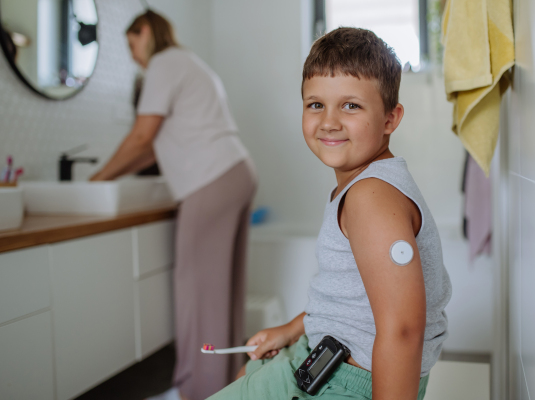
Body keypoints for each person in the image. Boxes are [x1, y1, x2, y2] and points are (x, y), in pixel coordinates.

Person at [207, 28, 452, 400]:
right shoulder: (362, 186)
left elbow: (402, 328)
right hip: (329, 360)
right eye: (315, 104)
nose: (329, 121)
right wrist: (291, 330)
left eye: (351, 105)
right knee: (247, 371)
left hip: (349, 382)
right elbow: (349, 300)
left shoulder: (370, 197)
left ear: (390, 118)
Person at [90, 10, 256, 400]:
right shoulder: (188, 63)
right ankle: (226, 383)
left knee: (199, 293)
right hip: (236, 171)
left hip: (212, 180)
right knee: (222, 291)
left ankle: (199, 391)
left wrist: (96, 181)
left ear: (145, 31)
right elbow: (151, 148)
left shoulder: (163, 64)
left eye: (132, 43)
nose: (132, 54)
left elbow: (141, 137)